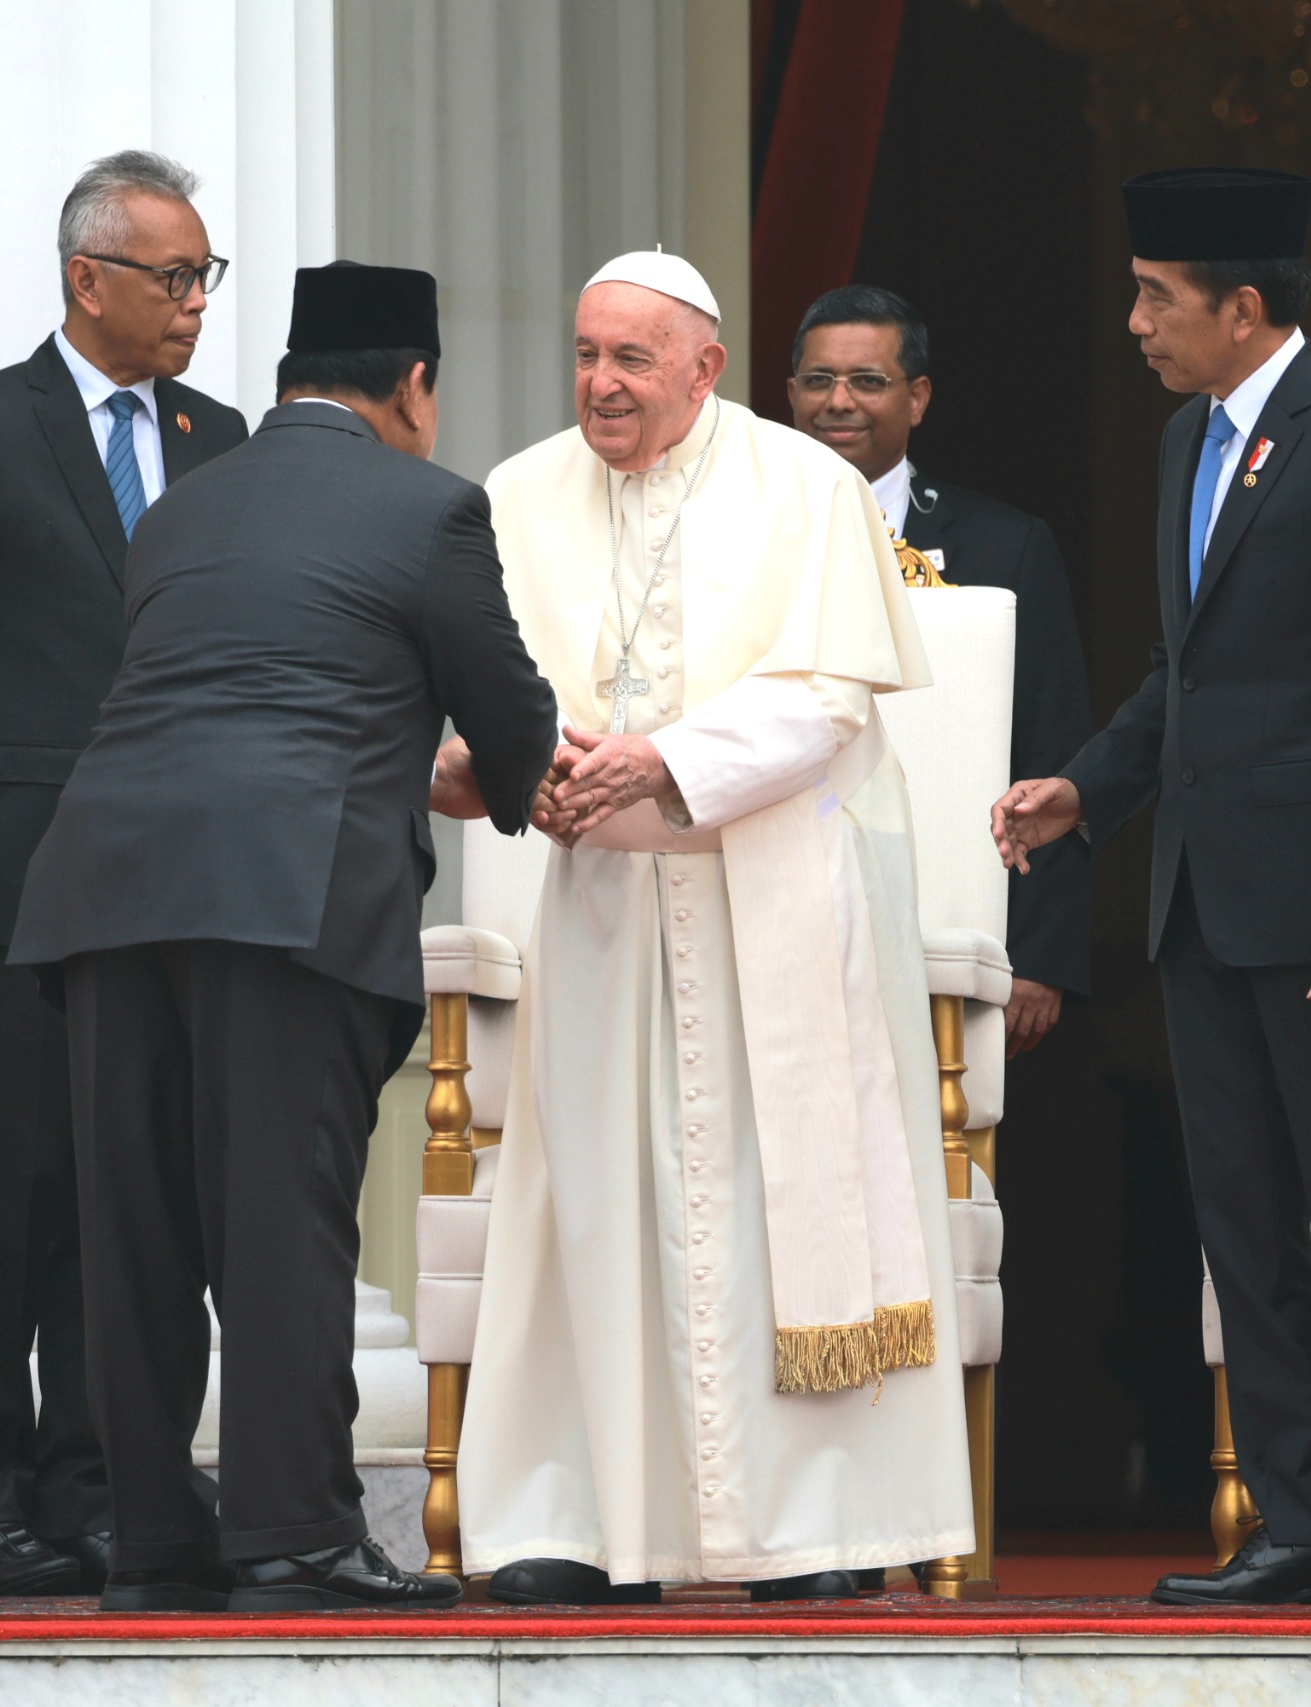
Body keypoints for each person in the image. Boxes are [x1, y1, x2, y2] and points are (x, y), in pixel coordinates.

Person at [9, 262, 558, 1611]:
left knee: (131, 1228)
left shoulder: (181, 512)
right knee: (277, 1222)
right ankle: (295, 1540)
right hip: (280, 887)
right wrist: (477, 768)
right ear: (413, 388)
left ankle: (151, 1540)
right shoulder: (434, 508)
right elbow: (516, 726)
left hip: (106, 886)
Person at [457, 250, 973, 1604]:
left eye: (631, 358)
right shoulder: (518, 492)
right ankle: (587, 1519)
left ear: (705, 365)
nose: (599, 384)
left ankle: (811, 1532)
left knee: (770, 1206)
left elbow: (830, 699)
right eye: (584, 354)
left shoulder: (802, 486)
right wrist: (544, 758)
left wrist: (667, 761)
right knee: (600, 1200)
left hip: (774, 898)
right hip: (607, 909)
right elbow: (486, 690)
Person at [990, 168, 1311, 1608]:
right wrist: (1087, 788)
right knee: (1242, 1221)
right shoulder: (1186, 441)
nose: (1135, 321)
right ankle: (1300, 1521)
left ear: (1243, 308)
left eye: (1158, 296)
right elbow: (1186, 674)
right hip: (1201, 899)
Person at [0, 150, 246, 1597]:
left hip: (174, 884)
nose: (196, 303)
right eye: (173, 276)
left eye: (206, 275)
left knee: (131, 1185)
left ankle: (94, 1483)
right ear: (86, 277)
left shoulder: (222, 440)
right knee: (18, 1178)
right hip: (14, 879)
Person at [787, 285, 1093, 1053]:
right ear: (790, 393)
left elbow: (1054, 751)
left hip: (952, 919)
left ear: (918, 398)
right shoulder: (736, 538)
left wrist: (1041, 953)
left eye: (868, 381)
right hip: (781, 912)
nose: (839, 402)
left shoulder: (1006, 546)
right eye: (819, 380)